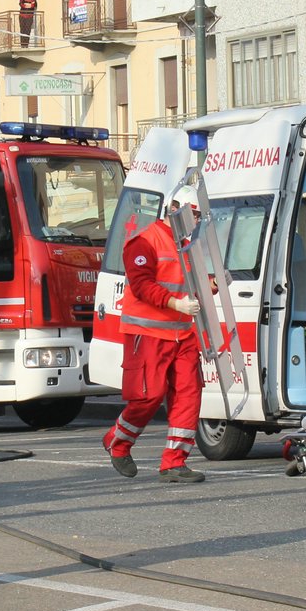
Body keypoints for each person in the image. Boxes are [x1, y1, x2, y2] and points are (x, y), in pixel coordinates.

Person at [101, 182, 207, 484]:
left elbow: (191, 281)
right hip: (147, 333)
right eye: (193, 214)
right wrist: (175, 302)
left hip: (182, 335)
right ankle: (117, 441)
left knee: (189, 395)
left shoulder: (188, 246)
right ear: (175, 210)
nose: (196, 221)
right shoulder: (144, 242)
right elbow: (142, 284)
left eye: (199, 216)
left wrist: (210, 284)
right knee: (148, 397)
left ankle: (174, 462)